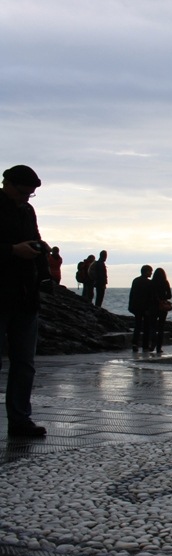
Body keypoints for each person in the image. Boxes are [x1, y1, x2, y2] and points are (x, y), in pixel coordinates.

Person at [1, 164, 51, 438]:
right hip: (1, 294)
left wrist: (38, 249)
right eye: (23, 193)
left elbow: (35, 238)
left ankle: (20, 420)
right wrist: (11, 250)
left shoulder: (27, 210)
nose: (26, 198)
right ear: (7, 184)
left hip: (25, 297)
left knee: (25, 363)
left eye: (31, 195)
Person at [128, 264, 155, 352]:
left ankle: (135, 344)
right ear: (146, 271)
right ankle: (145, 345)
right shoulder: (149, 283)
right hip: (145, 308)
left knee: (138, 326)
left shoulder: (135, 281)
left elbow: (132, 294)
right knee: (146, 327)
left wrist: (130, 305)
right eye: (150, 271)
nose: (151, 273)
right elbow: (151, 297)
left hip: (136, 307)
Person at [150, 267, 172, 354]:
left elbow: (150, 295)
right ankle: (159, 347)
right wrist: (164, 298)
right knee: (161, 328)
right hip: (163, 307)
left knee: (152, 327)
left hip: (153, 307)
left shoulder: (151, 283)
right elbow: (169, 295)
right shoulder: (165, 282)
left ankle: (152, 344)